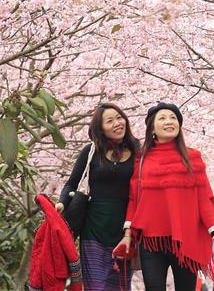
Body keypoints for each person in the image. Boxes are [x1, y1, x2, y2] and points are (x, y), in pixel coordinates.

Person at [114, 102, 214, 291]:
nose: (169, 121)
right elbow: (134, 199)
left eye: (173, 118)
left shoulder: (193, 157)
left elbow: (204, 201)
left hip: (186, 240)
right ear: (152, 127)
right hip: (151, 241)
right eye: (162, 118)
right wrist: (128, 234)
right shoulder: (141, 158)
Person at [57, 103, 141, 291]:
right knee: (96, 286)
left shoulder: (137, 151)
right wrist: (61, 203)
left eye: (119, 118)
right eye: (110, 121)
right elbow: (72, 182)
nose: (117, 123)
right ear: (100, 128)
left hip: (125, 229)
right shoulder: (91, 151)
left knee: (120, 285)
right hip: (94, 227)